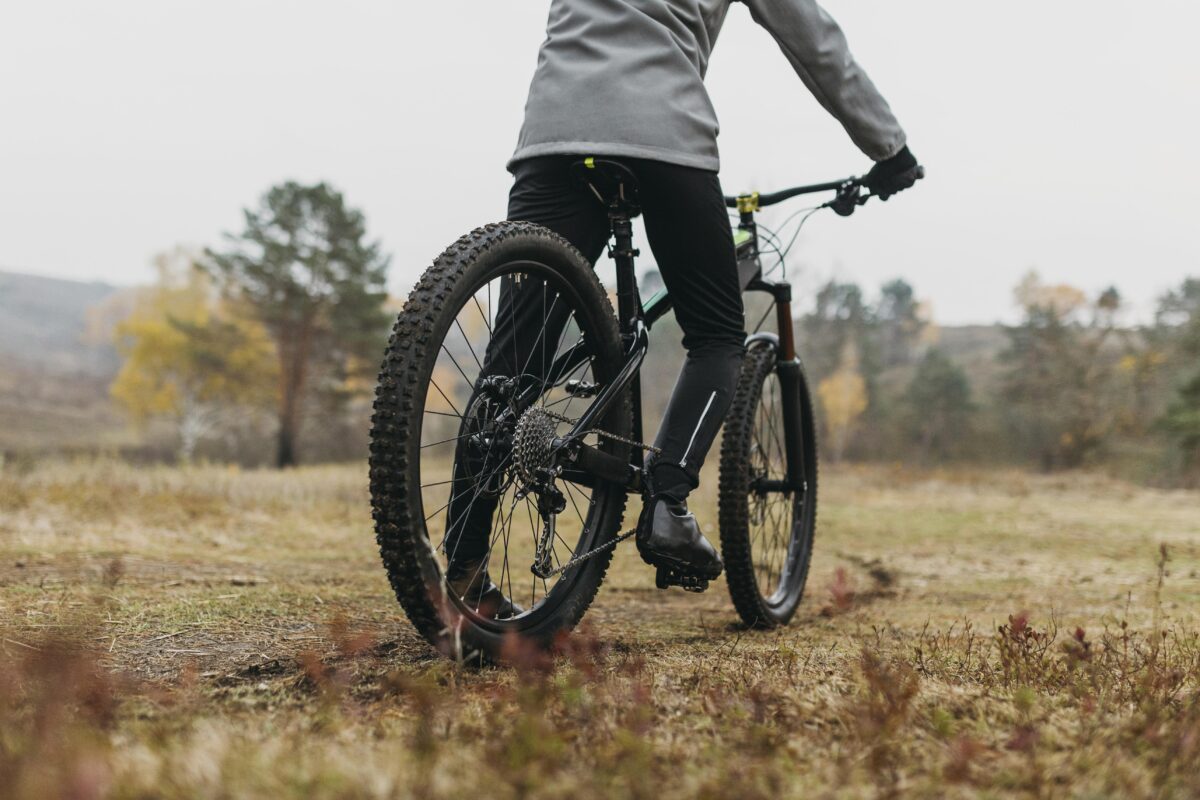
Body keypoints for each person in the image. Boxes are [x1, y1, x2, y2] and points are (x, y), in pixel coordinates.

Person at [447, 0, 922, 613]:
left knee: (510, 363)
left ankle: (460, 577)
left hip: (555, 133)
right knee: (718, 336)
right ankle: (667, 500)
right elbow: (816, 41)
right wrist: (890, 149)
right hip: (664, 139)